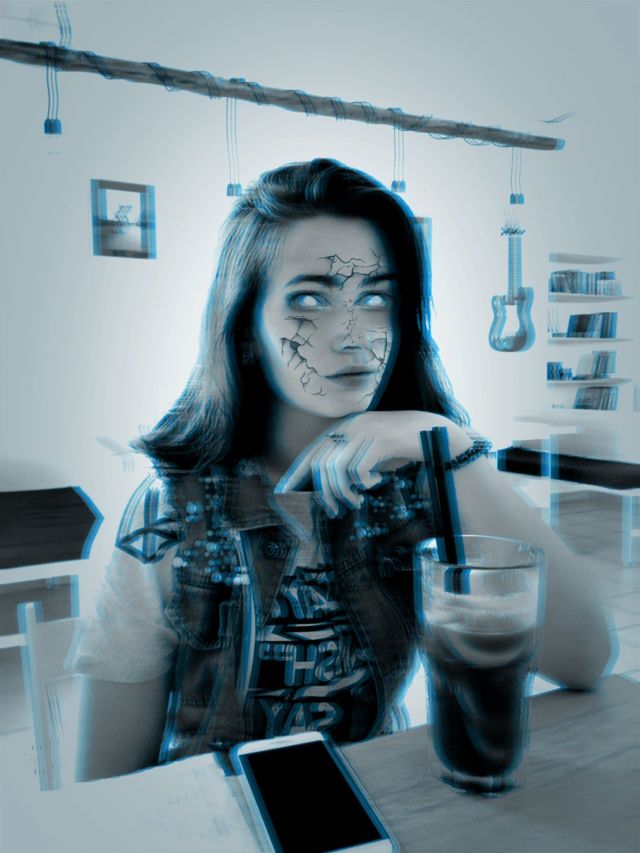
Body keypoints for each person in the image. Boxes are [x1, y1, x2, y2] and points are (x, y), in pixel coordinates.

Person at [71, 158, 612, 782]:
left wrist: (449, 446)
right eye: (310, 299)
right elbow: (106, 784)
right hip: (215, 816)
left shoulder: (419, 485)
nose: (353, 335)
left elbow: (586, 659)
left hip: (382, 804)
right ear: (245, 329)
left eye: (376, 298)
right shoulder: (174, 509)